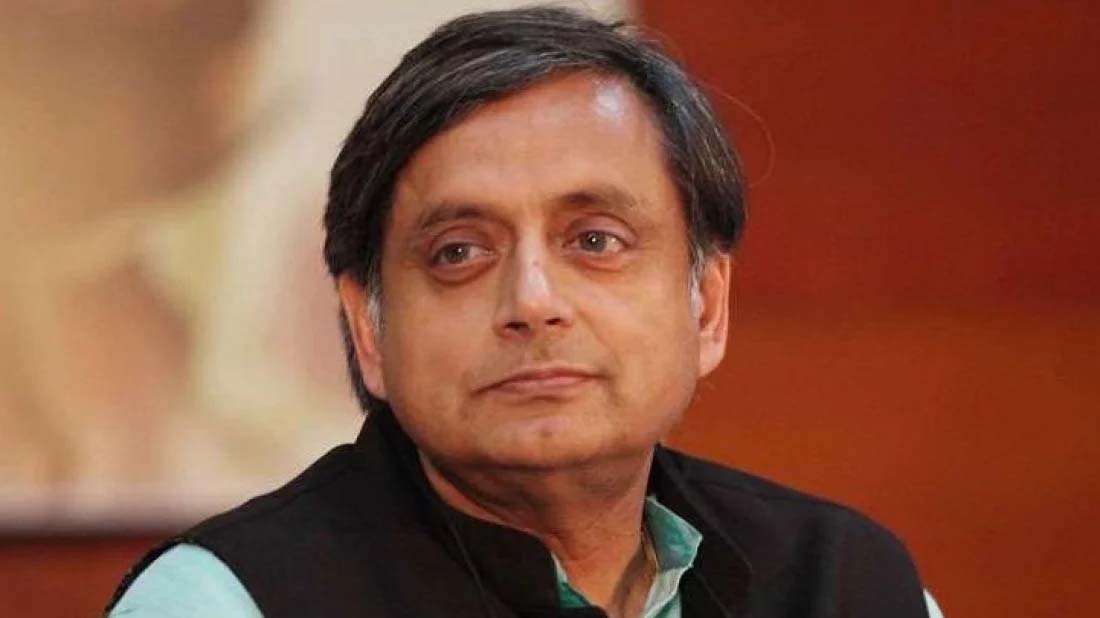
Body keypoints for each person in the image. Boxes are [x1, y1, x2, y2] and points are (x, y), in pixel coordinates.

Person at [108, 7, 942, 618]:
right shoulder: (226, 603)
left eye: (597, 240)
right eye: (459, 253)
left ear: (708, 306)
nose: (533, 302)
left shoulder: (849, 585)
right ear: (369, 330)